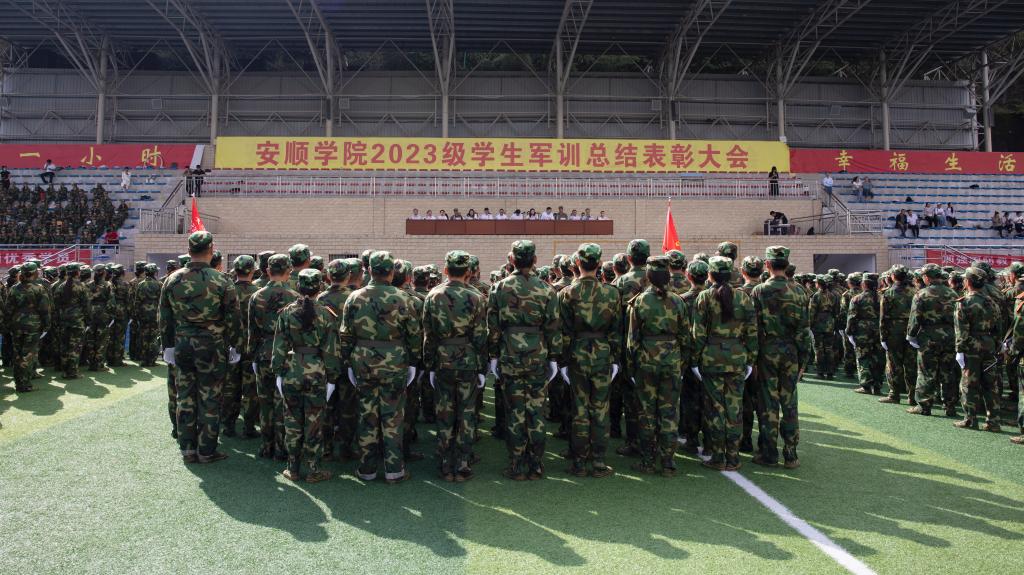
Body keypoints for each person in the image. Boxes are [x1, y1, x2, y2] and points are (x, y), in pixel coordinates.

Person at [340, 250, 422, 484]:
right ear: (392, 272)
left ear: (369, 270)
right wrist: (414, 361)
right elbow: (414, 335)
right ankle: (394, 469)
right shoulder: (405, 298)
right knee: (393, 416)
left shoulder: (354, 297)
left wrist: (348, 361)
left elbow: (346, 334)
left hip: (363, 362)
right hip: (395, 362)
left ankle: (367, 468)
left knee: (366, 415)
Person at [159, 231, 241, 464]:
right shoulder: (222, 280)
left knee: (185, 396)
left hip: (183, 344)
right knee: (210, 397)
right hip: (212, 346)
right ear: (211, 250)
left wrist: (167, 346)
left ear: (189, 250)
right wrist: (235, 345)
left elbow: (164, 317)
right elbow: (233, 318)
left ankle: (187, 448)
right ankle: (206, 450)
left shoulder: (172, 279)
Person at [486, 240, 561, 480]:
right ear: (535, 260)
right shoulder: (547, 289)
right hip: (537, 355)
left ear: (511, 260)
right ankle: (536, 464)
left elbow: (493, 327)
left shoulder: (499, 288)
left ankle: (517, 465)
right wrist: (554, 356)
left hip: (510, 354)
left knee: (515, 411)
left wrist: (493, 355)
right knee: (536, 411)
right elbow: (553, 327)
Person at [422, 250, 488, 482]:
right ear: (469, 271)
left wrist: (429, 364)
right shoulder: (477, 297)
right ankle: (462, 463)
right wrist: (482, 367)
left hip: (443, 360)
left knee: (445, 413)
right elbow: (480, 336)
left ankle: (445, 462)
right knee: (466, 413)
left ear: (445, 270)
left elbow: (429, 335)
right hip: (468, 361)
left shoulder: (433, 295)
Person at [272, 269, 341, 483]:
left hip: (292, 370)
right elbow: (331, 351)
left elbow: (279, 347)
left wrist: (278, 371)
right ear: (319, 286)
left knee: (292, 420)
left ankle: (292, 468)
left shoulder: (286, 312)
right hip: (317, 371)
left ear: (298, 286)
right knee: (314, 422)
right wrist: (333, 377)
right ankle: (313, 469)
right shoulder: (326, 314)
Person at [559, 243, 621, 478]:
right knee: (600, 409)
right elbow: (616, 329)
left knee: (580, 409)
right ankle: (598, 461)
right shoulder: (612, 293)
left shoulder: (567, 293)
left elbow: (564, 331)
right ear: (599, 264)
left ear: (577, 263)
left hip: (577, 353)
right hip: (602, 353)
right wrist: (614, 357)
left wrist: (564, 360)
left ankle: (579, 462)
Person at [692, 256, 756, 471]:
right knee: (734, 409)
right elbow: (752, 332)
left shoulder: (704, 296)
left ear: (710, 274)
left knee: (715, 409)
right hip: (737, 358)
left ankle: (718, 456)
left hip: (712, 358)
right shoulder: (743, 297)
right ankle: (733, 457)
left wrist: (694, 360)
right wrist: (750, 359)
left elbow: (698, 333)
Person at [750, 246, 810, 469]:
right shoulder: (800, 291)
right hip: (791, 351)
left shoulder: (760, 291)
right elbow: (804, 330)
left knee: (768, 403)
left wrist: (753, 358)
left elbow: (755, 329)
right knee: (790, 403)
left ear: (767, 264)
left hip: (768, 351)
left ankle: (769, 453)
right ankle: (791, 454)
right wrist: (803, 360)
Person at [249, 254, 298, 459]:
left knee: (265, 401)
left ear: (268, 271)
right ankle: (281, 447)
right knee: (284, 403)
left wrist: (253, 354)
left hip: (263, 352)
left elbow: (252, 332)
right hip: (287, 354)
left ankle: (266, 445)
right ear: (289, 271)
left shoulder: (256, 296)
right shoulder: (296, 297)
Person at [906, 264, 959, 417]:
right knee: (948, 372)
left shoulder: (921, 294)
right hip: (950, 336)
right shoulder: (953, 293)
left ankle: (924, 405)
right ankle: (950, 406)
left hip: (928, 337)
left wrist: (911, 335)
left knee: (926, 372)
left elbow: (915, 318)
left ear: (927, 277)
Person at [953, 266, 1001, 431]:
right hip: (989, 345)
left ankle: (970, 419)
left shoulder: (964, 302)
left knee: (969, 384)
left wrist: (960, 350)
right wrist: (996, 345)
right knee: (990, 384)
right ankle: (993, 421)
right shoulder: (992, 302)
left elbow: (961, 330)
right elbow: (998, 328)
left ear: (967, 282)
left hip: (971, 346)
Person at [220, 256, 260, 438]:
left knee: (230, 387)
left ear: (235, 271)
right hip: (251, 347)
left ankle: (228, 425)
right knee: (251, 389)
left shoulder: (226, 291)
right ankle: (249, 427)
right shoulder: (258, 293)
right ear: (252, 271)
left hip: (230, 345)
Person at [5, 263, 52, 393]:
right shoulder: (39, 289)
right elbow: (45, 310)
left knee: (18, 354)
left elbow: (8, 309)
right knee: (28, 354)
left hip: (16, 325)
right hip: (33, 326)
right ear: (33, 273)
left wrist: (8, 325)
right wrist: (47, 325)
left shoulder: (14, 288)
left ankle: (19, 382)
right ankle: (25, 384)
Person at [878, 266, 917, 405]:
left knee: (894, 364)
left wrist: (883, 337)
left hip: (894, 332)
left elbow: (883, 317)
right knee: (911, 365)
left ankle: (894, 394)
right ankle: (912, 396)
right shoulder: (915, 291)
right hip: (911, 331)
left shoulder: (888, 293)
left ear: (893, 276)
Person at [846, 274, 885, 395]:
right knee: (878, 358)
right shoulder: (882, 297)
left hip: (862, 332)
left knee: (863, 357)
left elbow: (852, 317)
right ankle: (877, 386)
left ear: (864, 284)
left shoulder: (857, 298)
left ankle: (866, 385)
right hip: (879, 330)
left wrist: (849, 332)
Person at [808, 275, 839, 380]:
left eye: (816, 282)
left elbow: (812, 312)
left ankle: (820, 372)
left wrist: (810, 324)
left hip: (818, 323)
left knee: (819, 348)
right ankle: (830, 372)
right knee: (829, 348)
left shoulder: (816, 296)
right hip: (830, 323)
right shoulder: (833, 295)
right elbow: (836, 311)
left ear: (819, 284)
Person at [133, 264, 162, 367]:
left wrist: (136, 314)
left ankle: (144, 359)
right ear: (154, 272)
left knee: (144, 336)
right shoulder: (159, 284)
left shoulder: (141, 284)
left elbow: (137, 301)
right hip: (155, 313)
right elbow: (162, 300)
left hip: (143, 313)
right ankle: (152, 360)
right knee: (154, 337)